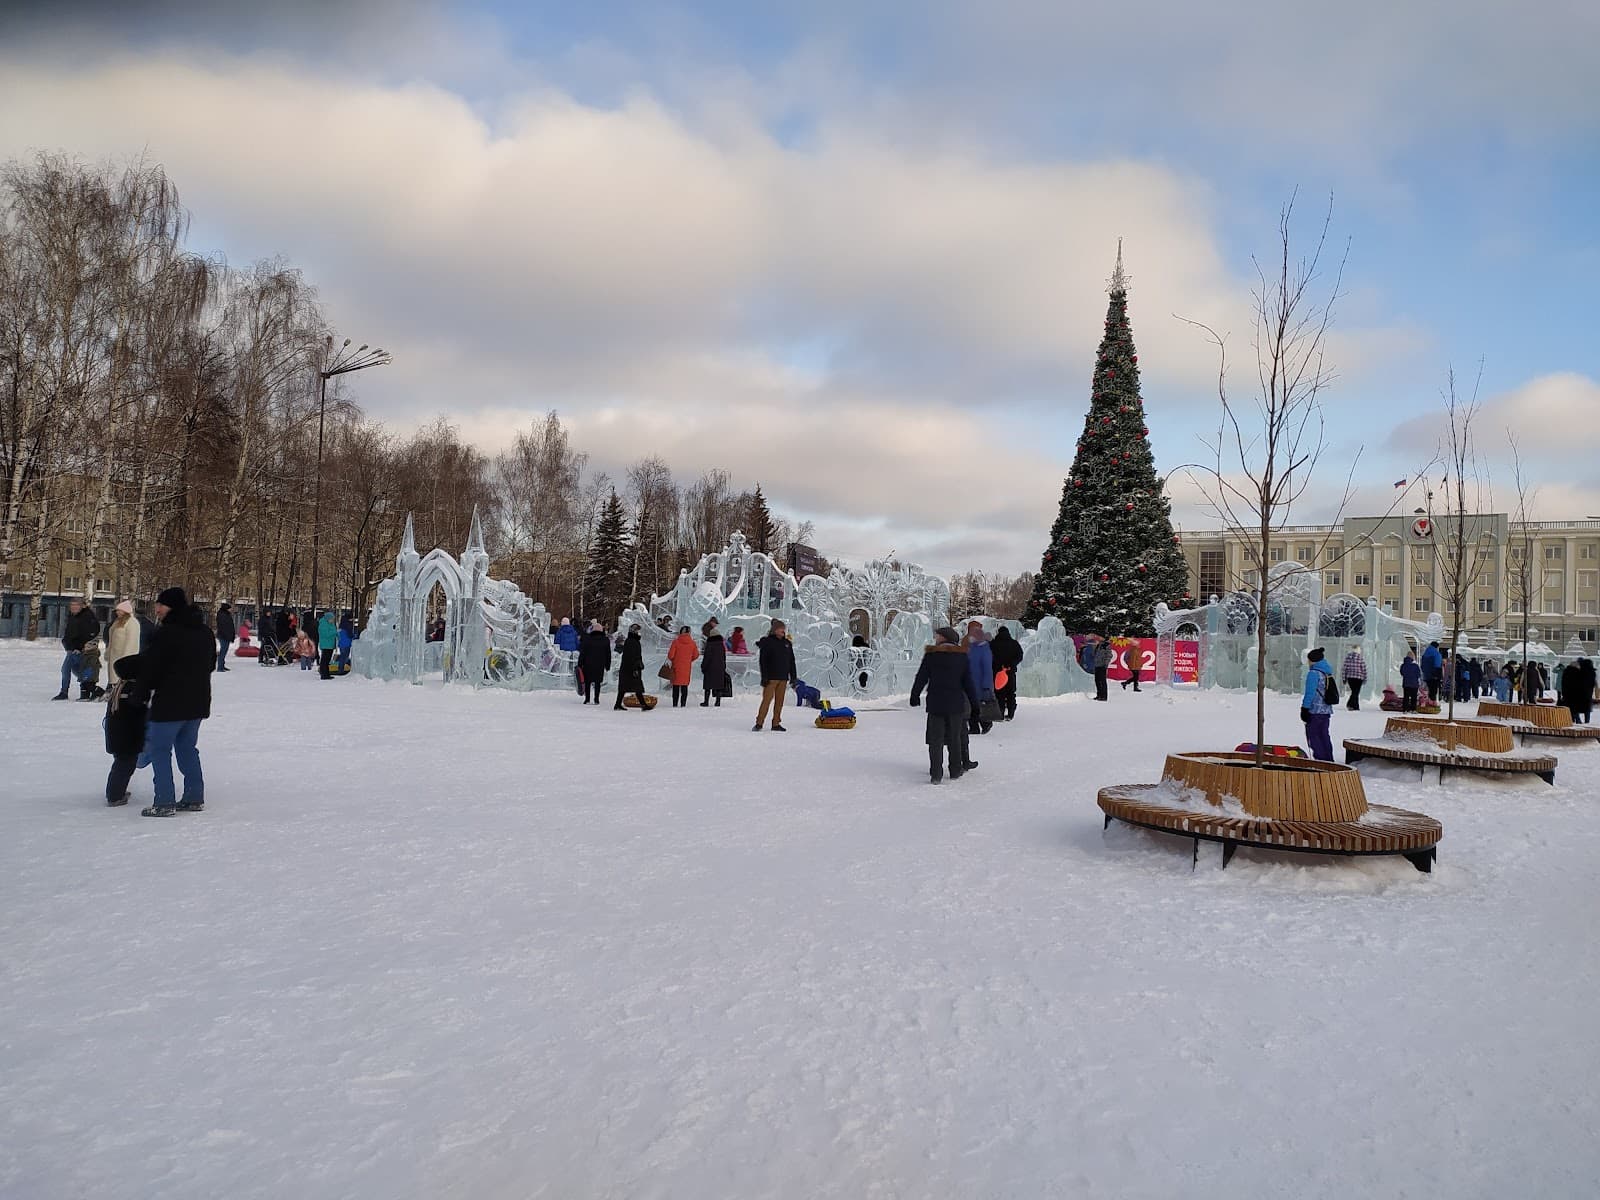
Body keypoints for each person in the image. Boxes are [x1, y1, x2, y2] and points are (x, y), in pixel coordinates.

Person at [135, 587, 214, 817]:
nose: (157, 609)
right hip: (197, 702)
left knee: (160, 750)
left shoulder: (166, 633)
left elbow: (151, 668)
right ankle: (193, 796)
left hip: (170, 703)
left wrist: (139, 694)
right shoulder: (204, 632)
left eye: (161, 605)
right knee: (187, 748)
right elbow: (210, 664)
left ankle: (164, 801)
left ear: (173, 607)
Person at [909, 626, 980, 784]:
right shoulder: (961, 657)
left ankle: (936, 774)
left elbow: (921, 677)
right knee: (954, 738)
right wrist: (975, 704)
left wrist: (915, 695)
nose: (936, 637)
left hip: (936, 703)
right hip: (955, 704)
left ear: (944, 638)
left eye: (938, 635)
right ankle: (955, 770)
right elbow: (968, 683)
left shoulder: (932, 655)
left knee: (936, 740)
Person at [102, 652, 148, 807]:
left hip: (117, 733)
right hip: (128, 735)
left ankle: (116, 790)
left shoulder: (121, 686)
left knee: (121, 762)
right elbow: (139, 711)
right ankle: (115, 795)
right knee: (125, 764)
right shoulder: (133, 689)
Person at [753, 619, 798, 731]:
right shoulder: (768, 642)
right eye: (781, 629)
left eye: (784, 628)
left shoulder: (787, 643)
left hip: (783, 678)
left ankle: (776, 723)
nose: (783, 631)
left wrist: (793, 677)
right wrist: (764, 677)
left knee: (780, 702)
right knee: (766, 701)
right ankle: (759, 722)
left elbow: (792, 661)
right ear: (775, 630)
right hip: (771, 678)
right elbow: (763, 661)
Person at [54, 596, 100, 700]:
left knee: (70, 669)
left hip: (80, 649)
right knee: (72, 669)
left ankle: (71, 691)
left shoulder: (87, 616)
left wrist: (80, 646)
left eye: (76, 605)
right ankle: (88, 688)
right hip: (71, 648)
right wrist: (65, 642)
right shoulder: (72, 616)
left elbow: (91, 632)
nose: (73, 607)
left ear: (82, 606)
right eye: (72, 605)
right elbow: (69, 632)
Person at [1300, 646, 1336, 762]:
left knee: (1314, 736)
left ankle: (1321, 761)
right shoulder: (1327, 672)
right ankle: (1329, 760)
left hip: (1315, 710)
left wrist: (1304, 709)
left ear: (1312, 660)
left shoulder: (1313, 673)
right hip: (1326, 710)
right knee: (1324, 735)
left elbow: (1310, 693)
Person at [962, 620, 995, 735]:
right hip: (970, 681)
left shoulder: (984, 649)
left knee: (979, 705)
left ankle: (985, 723)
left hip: (980, 683)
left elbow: (987, 669)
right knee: (971, 705)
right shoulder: (971, 646)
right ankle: (974, 727)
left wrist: (986, 684)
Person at [105, 599, 142, 687]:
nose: (117, 612)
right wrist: (108, 652)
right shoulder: (117, 622)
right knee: (115, 680)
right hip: (114, 655)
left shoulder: (132, 623)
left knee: (121, 680)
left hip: (123, 657)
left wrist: (126, 658)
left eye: (119, 610)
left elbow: (131, 642)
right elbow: (112, 639)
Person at [989, 626, 1023, 720]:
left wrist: (999, 665)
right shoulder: (1014, 643)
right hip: (1010, 672)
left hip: (997, 672)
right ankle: (1011, 713)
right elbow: (1020, 656)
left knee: (999, 693)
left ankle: (1000, 713)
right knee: (1011, 693)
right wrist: (1011, 664)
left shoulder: (993, 644)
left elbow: (991, 657)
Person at [613, 624, 650, 711]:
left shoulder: (631, 640)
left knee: (625, 687)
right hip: (631, 668)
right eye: (637, 631)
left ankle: (618, 704)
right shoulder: (632, 641)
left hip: (629, 668)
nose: (639, 633)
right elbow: (632, 656)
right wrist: (635, 668)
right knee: (637, 687)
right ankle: (643, 705)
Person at [577, 620, 612, 704]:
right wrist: (607, 665)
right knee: (597, 682)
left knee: (588, 682)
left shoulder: (587, 639)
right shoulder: (605, 640)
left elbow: (583, 652)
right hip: (600, 664)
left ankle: (587, 699)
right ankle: (596, 699)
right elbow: (608, 654)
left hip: (588, 664)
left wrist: (580, 663)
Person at [666, 624, 699, 707]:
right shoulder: (692, 643)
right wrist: (688, 660)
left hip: (676, 666)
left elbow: (670, 655)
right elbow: (696, 655)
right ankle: (683, 704)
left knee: (676, 686)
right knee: (684, 686)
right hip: (687, 667)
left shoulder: (676, 642)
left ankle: (675, 704)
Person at [700, 619, 728, 708]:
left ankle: (706, 701)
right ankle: (718, 701)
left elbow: (707, 657)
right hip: (720, 667)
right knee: (718, 685)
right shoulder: (721, 645)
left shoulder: (709, 645)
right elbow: (724, 657)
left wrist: (703, 667)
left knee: (708, 685)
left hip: (710, 668)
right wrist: (724, 666)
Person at [1341, 646, 1367, 711]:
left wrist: (1344, 678)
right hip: (1359, 678)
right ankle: (1350, 704)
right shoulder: (1360, 658)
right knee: (1356, 692)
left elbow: (1344, 669)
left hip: (1350, 677)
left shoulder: (1348, 658)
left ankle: (1355, 706)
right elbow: (1364, 669)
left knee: (1354, 692)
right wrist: (1365, 678)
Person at [215, 601, 236, 672]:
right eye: (229, 608)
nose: (230, 610)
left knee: (224, 651)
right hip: (223, 636)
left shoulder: (225, 614)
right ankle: (220, 667)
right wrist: (228, 635)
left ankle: (222, 665)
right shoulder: (222, 615)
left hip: (225, 635)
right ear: (226, 609)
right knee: (223, 651)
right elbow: (224, 627)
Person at [317, 610, 338, 680]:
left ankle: (327, 673)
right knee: (324, 660)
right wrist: (335, 632)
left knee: (327, 660)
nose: (332, 620)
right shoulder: (323, 624)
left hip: (330, 644)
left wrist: (337, 634)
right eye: (331, 619)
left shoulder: (330, 624)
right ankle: (324, 674)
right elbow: (326, 634)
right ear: (328, 618)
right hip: (325, 645)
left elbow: (333, 631)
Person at [1092, 634, 1112, 702]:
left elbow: (1109, 655)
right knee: (1097, 680)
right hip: (1097, 665)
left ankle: (1103, 696)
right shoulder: (1098, 645)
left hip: (1102, 666)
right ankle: (1099, 694)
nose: (1099, 637)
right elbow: (1095, 653)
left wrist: (1105, 665)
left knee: (1102, 681)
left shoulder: (1106, 645)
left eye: (1100, 636)